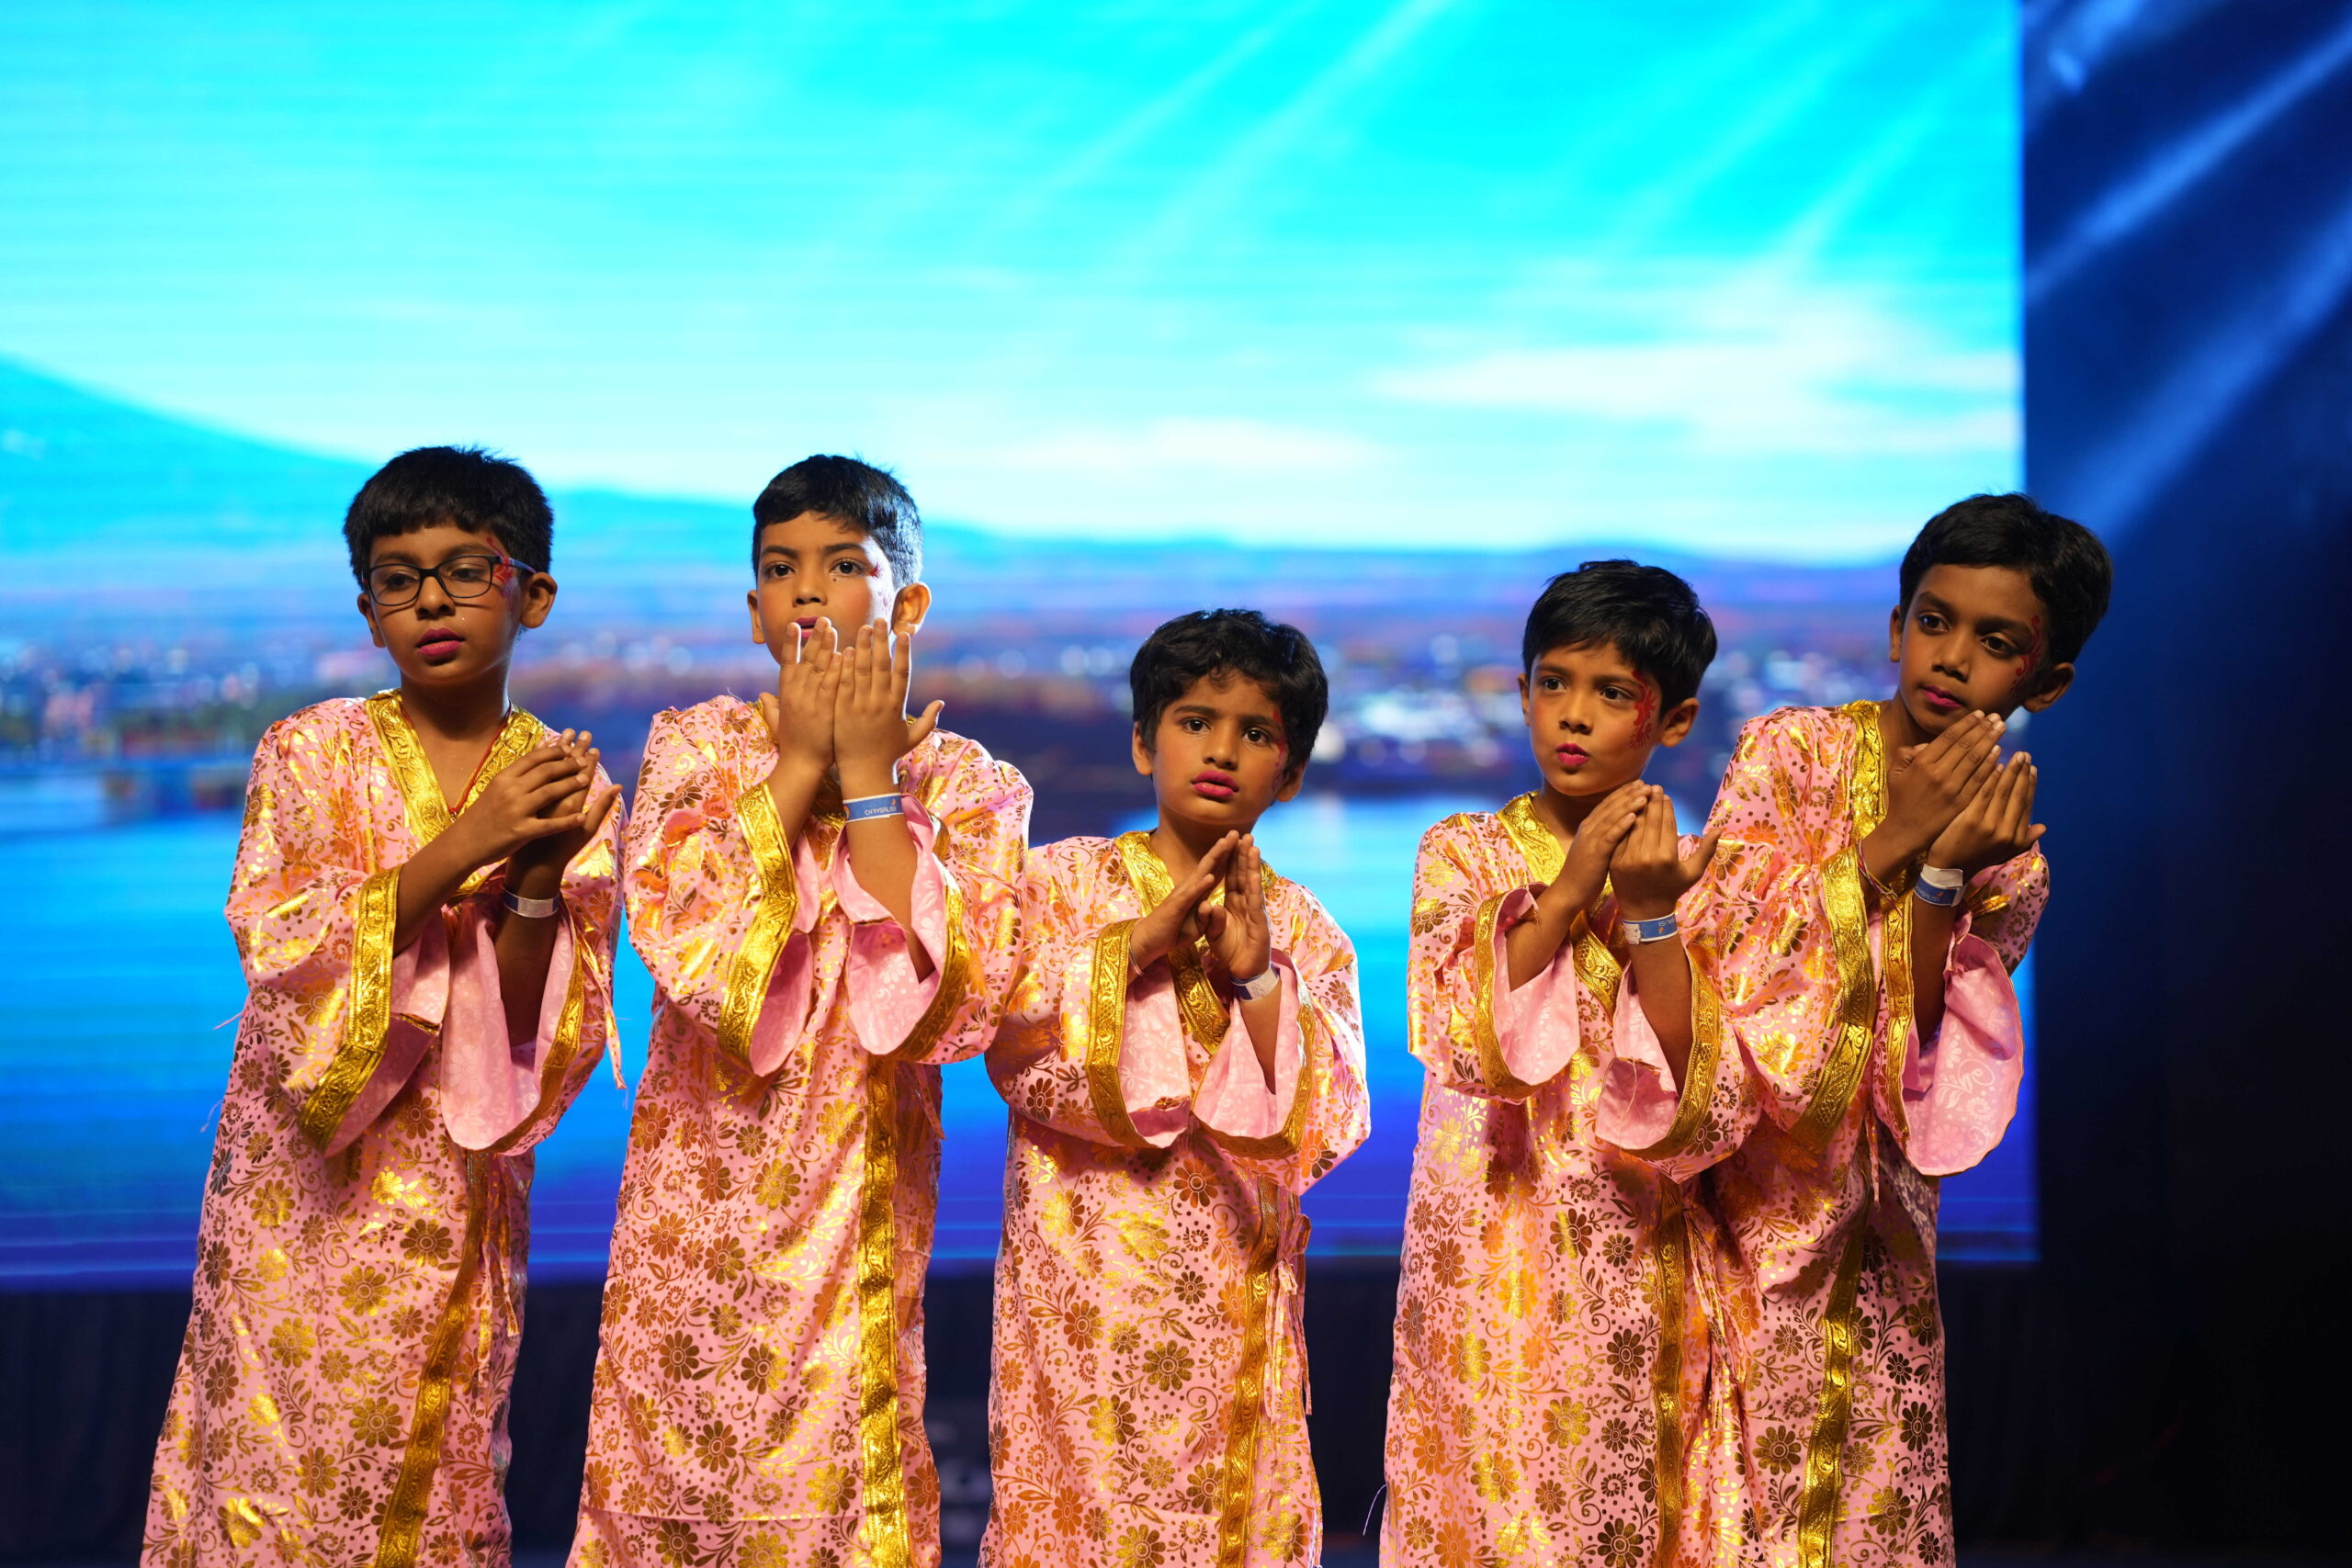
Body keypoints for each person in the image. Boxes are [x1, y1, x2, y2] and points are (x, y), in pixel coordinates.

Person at [143, 446, 623, 1568]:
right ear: (369, 614)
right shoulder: (309, 752)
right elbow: (283, 946)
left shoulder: (565, 786)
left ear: (532, 594)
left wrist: (538, 876)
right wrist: (471, 844)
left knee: (432, 1472)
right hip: (294, 1206)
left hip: (454, 1196)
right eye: (398, 580)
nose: (431, 601)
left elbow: (530, 1034)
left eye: (466, 570)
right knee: (267, 1482)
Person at [573, 456, 1030, 1568]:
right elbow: (683, 937)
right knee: (674, 1464)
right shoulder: (696, 747)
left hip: (854, 1193)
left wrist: (867, 780)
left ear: (907, 604)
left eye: (844, 566)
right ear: (754, 609)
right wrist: (800, 765)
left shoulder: (968, 786)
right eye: (782, 570)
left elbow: (956, 1002)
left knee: (842, 1472)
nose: (809, 590)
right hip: (695, 1197)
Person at [1693, 492, 2111, 1568]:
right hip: (1730, 1214)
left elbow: (1917, 1065)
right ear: (1895, 627)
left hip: (1876, 1238)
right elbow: (1725, 963)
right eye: (1933, 621)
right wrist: (1899, 838)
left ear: (2046, 683)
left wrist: (1942, 877)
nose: (1952, 657)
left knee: (1864, 1506)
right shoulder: (1789, 754)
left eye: (1997, 642)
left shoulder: (2012, 862)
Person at [1382, 560, 1786, 1568]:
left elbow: (1714, 1106)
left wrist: (1650, 914)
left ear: (1673, 718)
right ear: (1522, 692)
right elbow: (1460, 1034)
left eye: (1612, 693)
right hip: (1486, 1243)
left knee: (1619, 1510)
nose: (1573, 715)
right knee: (1486, 1501)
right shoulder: (1463, 851)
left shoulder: (1707, 881)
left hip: (1633, 1251)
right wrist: (1565, 893)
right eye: (1554, 683)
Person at [980, 609, 1369, 1568]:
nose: (1221, 750)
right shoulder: (1059, 885)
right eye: (1195, 721)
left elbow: (1325, 1127)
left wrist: (1260, 980)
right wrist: (1134, 948)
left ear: (1292, 771)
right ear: (1143, 741)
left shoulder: (1306, 931)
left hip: (1233, 1303)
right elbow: (1014, 1045)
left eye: (1257, 732)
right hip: (1081, 1302)